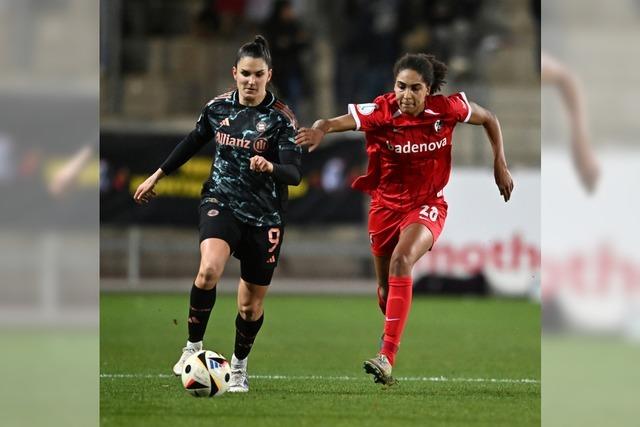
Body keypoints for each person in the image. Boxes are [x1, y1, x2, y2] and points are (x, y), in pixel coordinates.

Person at [295, 53, 514, 385]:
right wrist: (319, 130)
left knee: (402, 260)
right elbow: (332, 122)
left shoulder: (447, 109)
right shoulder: (382, 112)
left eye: (415, 88)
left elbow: (489, 118)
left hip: (427, 204)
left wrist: (500, 162)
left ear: (428, 90)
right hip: (384, 208)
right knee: (385, 291)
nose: (406, 95)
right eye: (400, 86)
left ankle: (386, 357)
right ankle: (391, 320)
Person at [133, 35, 302, 393]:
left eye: (258, 74)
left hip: (265, 217)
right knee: (209, 269)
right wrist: (157, 175)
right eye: (245, 74)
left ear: (269, 74)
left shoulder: (282, 119)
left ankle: (239, 367)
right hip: (221, 201)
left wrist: (270, 166)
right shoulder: (217, 109)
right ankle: (192, 347)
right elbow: (192, 142)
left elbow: (294, 173)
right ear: (234, 73)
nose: (251, 81)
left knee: (249, 307)